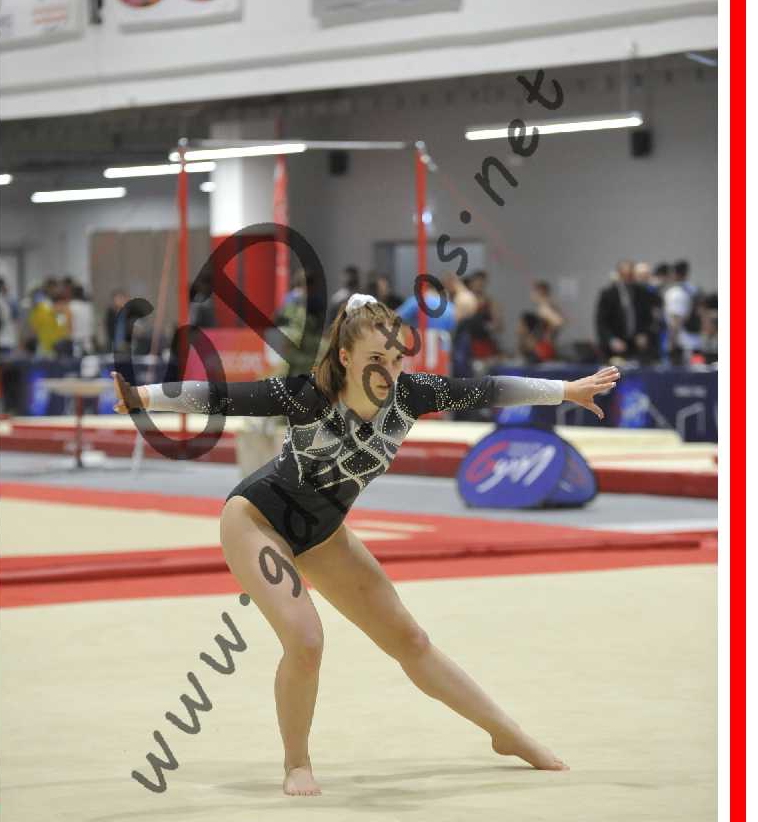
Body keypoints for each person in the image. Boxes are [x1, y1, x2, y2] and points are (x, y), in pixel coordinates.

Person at [111, 292, 621, 796]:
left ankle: (505, 733)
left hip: (323, 532)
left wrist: (565, 390)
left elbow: (488, 389)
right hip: (257, 521)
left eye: (397, 359)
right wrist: (143, 397)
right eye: (376, 358)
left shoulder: (411, 395)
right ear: (345, 357)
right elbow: (222, 396)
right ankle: (297, 762)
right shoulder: (309, 395)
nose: (389, 370)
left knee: (411, 641)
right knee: (306, 640)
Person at [594, 260, 658, 364]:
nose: (629, 279)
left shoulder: (642, 293)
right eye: (625, 275)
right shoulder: (608, 294)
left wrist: (644, 333)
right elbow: (601, 322)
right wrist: (611, 340)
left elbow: (648, 318)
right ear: (619, 275)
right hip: (614, 346)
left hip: (636, 345)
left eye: (631, 275)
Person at [517, 281, 565, 364]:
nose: (532, 294)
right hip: (538, 347)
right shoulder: (544, 308)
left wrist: (548, 336)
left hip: (541, 348)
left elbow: (559, 322)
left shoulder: (546, 307)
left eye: (534, 292)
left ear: (540, 293)